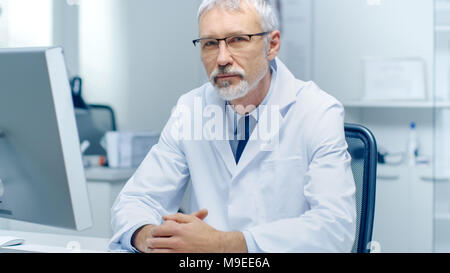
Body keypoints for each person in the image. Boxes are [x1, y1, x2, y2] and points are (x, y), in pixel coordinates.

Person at [109, 0, 356, 253]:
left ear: (272, 44)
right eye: (210, 44)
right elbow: (137, 200)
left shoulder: (317, 111)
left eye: (238, 39)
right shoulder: (190, 109)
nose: (222, 58)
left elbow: (335, 228)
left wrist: (223, 245)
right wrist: (151, 237)